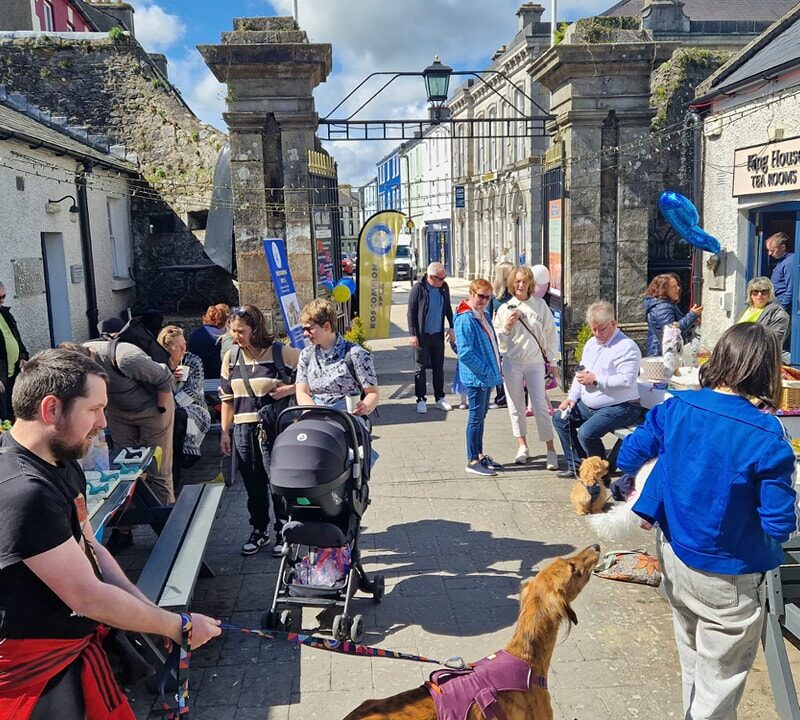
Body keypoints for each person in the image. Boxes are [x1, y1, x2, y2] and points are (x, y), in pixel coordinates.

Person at [0, 348, 220, 720]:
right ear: (51, 409)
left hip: (64, 655)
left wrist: (154, 616)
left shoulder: (62, 463)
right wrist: (177, 625)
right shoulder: (24, 491)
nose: (103, 422)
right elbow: (87, 597)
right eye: (93, 409)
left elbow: (93, 551)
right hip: (32, 676)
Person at [617, 323, 796, 720]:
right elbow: (779, 523)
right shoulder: (767, 434)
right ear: (765, 369)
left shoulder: (677, 406)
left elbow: (629, 455)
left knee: (694, 667)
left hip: (674, 554)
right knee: (717, 687)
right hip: (727, 574)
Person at [219, 305, 297, 556]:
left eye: (241, 331)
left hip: (274, 428)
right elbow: (227, 398)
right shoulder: (231, 357)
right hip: (243, 428)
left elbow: (309, 374)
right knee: (253, 484)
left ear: (256, 329)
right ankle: (259, 530)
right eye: (233, 332)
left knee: (278, 482)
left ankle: (284, 530)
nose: (237, 336)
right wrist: (224, 431)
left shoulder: (279, 352)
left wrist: (289, 389)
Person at [84, 318, 176, 505]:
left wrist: (160, 408)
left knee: (157, 470)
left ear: (92, 358)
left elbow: (165, 377)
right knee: (123, 472)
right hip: (120, 414)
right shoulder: (79, 361)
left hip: (152, 410)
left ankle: (169, 522)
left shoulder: (126, 358)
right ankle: (124, 529)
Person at [552, 301, 642, 479]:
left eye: (602, 329)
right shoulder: (591, 344)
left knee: (587, 433)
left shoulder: (626, 346)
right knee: (560, 419)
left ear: (614, 324)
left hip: (622, 405)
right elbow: (581, 373)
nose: (597, 334)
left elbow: (626, 380)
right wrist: (572, 398)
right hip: (590, 403)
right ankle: (577, 465)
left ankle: (601, 472)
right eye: (593, 329)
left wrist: (596, 380)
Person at [295, 299, 379, 457]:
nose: (305, 334)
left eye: (309, 329)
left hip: (347, 419)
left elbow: (373, 392)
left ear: (327, 326)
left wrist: (364, 406)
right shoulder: (306, 355)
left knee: (352, 458)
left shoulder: (355, 354)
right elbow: (302, 392)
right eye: (303, 329)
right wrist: (313, 413)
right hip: (315, 416)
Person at [494, 266, 559, 469]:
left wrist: (553, 362)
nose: (521, 285)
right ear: (512, 284)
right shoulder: (506, 308)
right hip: (512, 362)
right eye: (517, 281)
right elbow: (499, 340)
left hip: (535, 362)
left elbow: (550, 334)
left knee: (540, 405)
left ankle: (550, 449)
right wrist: (506, 327)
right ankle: (522, 446)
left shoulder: (540, 306)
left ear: (531, 284)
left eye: (524, 281)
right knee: (515, 405)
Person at [454, 279, 503, 477]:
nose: (483, 300)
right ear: (471, 294)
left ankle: (479, 454)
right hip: (477, 377)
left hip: (486, 376)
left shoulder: (484, 315)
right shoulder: (465, 319)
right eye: (480, 296)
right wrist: (485, 371)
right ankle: (472, 460)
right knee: (475, 418)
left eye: (487, 297)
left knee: (481, 417)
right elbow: (465, 352)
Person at [157, 325, 211, 493]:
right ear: (166, 349)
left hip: (194, 409)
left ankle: (174, 472)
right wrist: (169, 379)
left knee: (178, 418)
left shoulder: (192, 360)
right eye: (178, 346)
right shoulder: (158, 365)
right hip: (167, 412)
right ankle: (171, 474)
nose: (183, 349)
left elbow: (193, 392)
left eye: (184, 344)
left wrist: (171, 402)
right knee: (173, 420)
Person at [408, 262, 455, 414]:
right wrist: (412, 334)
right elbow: (411, 312)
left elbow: (447, 307)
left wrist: (452, 326)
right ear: (431, 277)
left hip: (438, 334)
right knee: (420, 369)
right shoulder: (418, 288)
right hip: (422, 336)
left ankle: (440, 398)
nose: (443, 281)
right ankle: (421, 399)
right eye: (440, 279)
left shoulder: (443, 288)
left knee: (438, 368)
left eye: (444, 278)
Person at [643, 273, 702, 356]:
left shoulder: (665, 304)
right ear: (664, 289)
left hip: (663, 352)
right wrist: (692, 315)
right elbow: (671, 331)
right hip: (662, 354)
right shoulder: (663, 307)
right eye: (674, 286)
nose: (678, 288)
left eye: (677, 285)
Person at [0, 280, 29, 421]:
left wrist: (23, 356)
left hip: (14, 374)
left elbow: (17, 339)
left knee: (16, 414)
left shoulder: (5, 314)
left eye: (3, 297)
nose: (1, 301)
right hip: (1, 377)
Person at [736, 276, 790, 350]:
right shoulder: (744, 311)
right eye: (755, 292)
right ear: (750, 295)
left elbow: (773, 341)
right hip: (737, 352)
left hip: (759, 355)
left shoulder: (778, 314)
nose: (759, 295)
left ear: (769, 294)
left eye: (764, 292)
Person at [489, 262, 514, 409]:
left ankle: (519, 395)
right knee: (500, 366)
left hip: (516, 335)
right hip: (500, 335)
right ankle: (501, 396)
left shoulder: (516, 294)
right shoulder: (495, 296)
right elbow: (487, 315)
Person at [187, 303, 229, 380]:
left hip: (198, 379)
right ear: (226, 320)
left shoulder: (195, 335)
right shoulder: (229, 338)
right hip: (223, 379)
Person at [766, 231, 795, 313]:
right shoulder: (781, 261)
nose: (769, 253)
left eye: (772, 250)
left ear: (783, 247)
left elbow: (791, 290)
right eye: (768, 250)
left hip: (785, 309)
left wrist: (781, 310)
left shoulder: (790, 262)